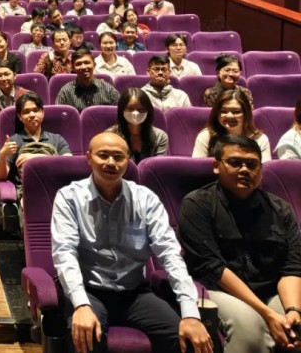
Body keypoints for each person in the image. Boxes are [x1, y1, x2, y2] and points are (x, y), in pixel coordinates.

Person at [52, 132, 213, 353]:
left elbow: (169, 254)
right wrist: (80, 304)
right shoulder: (69, 197)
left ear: (128, 161)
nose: (111, 162)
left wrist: (190, 313)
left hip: (135, 293)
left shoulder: (145, 199)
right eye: (103, 155)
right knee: (86, 337)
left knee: (187, 339)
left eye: (118, 157)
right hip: (89, 290)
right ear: (88, 157)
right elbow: (65, 253)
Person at [179, 134, 301, 353]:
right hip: (218, 289)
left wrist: (293, 310)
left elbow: (292, 266)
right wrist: (267, 314)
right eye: (235, 162)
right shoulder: (197, 204)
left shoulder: (280, 209)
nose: (245, 170)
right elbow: (213, 269)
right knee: (251, 332)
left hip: (270, 289)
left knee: (295, 327)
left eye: (252, 164)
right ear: (217, 166)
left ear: (261, 170)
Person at [0, 93, 72, 187]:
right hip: (28, 191)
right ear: (20, 117)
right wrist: (2, 155)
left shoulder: (57, 139)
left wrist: (34, 158)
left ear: (42, 113)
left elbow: (69, 165)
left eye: (35, 110)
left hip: (57, 188)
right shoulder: (13, 141)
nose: (32, 115)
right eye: (26, 112)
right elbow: (1, 177)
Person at [192, 89, 271, 160]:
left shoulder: (260, 139)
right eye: (223, 111)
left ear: (246, 114)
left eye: (236, 112)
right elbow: (197, 168)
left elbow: (265, 170)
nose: (229, 116)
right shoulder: (206, 137)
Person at [106, 88, 169, 163]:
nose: (136, 113)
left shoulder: (160, 136)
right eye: (130, 108)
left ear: (148, 111)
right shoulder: (110, 136)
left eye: (141, 109)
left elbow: (158, 166)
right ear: (122, 110)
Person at [55, 49, 120, 112]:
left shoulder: (109, 90)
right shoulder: (65, 92)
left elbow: (121, 114)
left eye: (87, 63)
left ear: (94, 65)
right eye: (78, 64)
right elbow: (58, 116)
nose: (83, 67)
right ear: (73, 68)